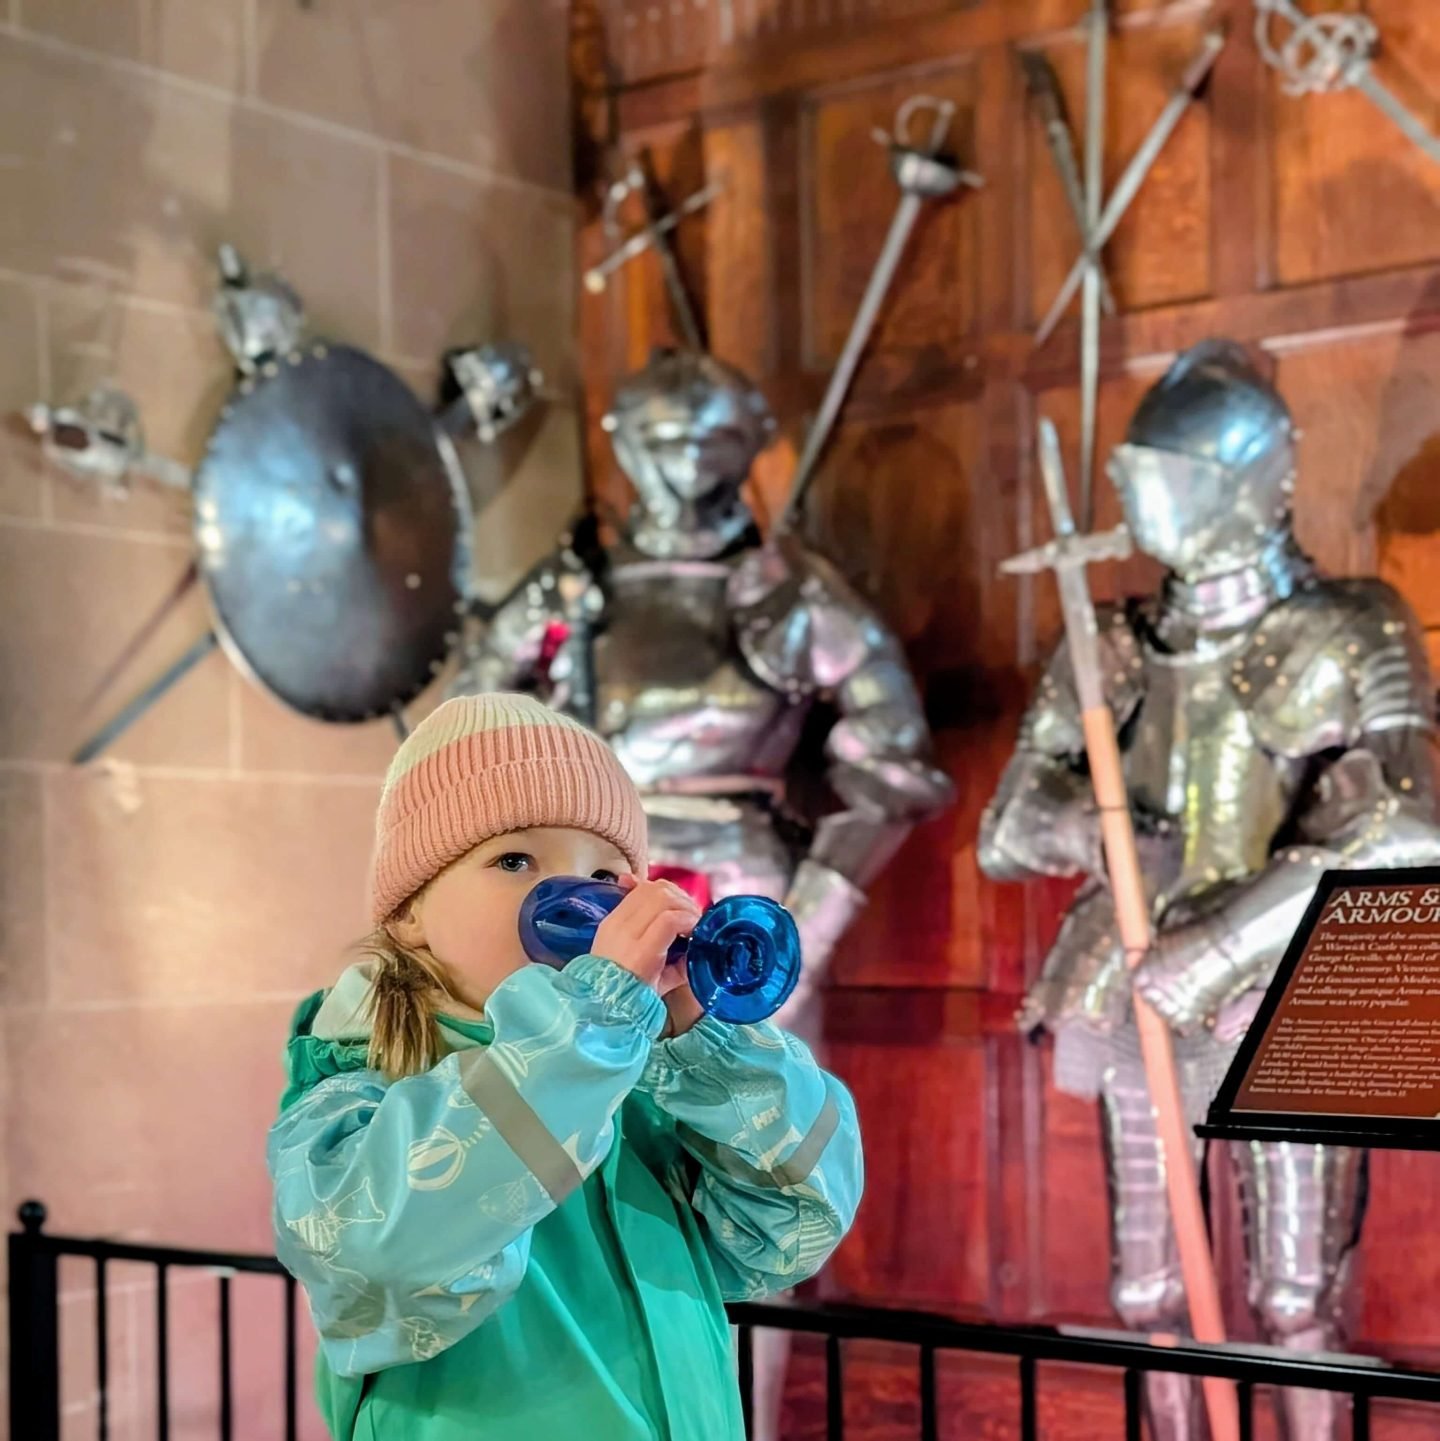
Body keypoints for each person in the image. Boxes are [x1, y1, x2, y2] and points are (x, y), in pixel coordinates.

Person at [979, 339, 1440, 1441]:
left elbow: (1414, 822)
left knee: (1296, 1299)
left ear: (1252, 479)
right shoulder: (1114, 649)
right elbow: (1003, 830)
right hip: (1130, 979)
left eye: (1172, 477)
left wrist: (1223, 940)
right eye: (1139, 476)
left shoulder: (1348, 624)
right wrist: (1106, 839)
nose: (1147, 505)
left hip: (1294, 981)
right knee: (1146, 1294)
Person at [268, 693, 864, 1441]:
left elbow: (794, 1227)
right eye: (514, 859)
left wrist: (701, 1043)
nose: (578, 900)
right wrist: (589, 1027)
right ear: (410, 911)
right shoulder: (359, 1076)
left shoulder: (641, 1076)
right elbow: (377, 1254)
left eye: (609, 874)